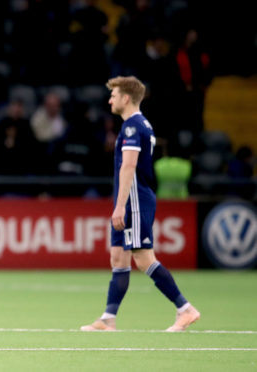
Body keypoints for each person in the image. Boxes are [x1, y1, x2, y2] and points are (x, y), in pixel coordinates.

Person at [81, 76, 200, 332]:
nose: (110, 99)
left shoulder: (133, 127)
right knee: (118, 257)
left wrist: (120, 205)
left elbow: (130, 165)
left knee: (143, 259)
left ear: (126, 98)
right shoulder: (137, 124)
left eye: (113, 95)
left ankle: (185, 309)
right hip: (130, 198)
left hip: (134, 199)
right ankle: (108, 319)